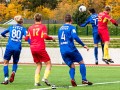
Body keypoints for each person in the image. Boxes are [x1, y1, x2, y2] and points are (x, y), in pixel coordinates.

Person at [58, 14, 93, 87]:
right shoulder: (71, 27)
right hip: (71, 49)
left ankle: (72, 78)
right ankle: (84, 79)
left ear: (64, 20)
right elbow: (75, 37)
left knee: (72, 66)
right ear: (71, 20)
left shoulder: (60, 29)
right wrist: (83, 45)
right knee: (81, 62)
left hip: (63, 50)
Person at [25, 13, 55, 86]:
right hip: (40, 47)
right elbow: (45, 36)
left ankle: (36, 82)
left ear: (34, 19)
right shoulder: (43, 27)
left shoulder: (30, 28)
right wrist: (52, 38)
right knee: (48, 63)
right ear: (41, 19)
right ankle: (45, 78)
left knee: (38, 65)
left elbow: (26, 39)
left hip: (32, 48)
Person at [1, 15, 27, 85]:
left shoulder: (11, 27)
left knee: (5, 63)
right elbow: (27, 36)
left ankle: (6, 79)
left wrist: (5, 36)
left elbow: (2, 33)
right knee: (15, 63)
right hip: (17, 47)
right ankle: (13, 72)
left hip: (9, 47)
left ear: (16, 20)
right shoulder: (23, 29)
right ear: (22, 21)